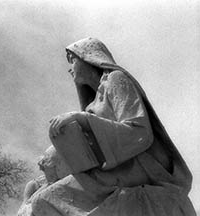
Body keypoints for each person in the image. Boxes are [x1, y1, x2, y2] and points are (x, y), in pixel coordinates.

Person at [18, 37, 196, 216]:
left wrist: (82, 119)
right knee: (40, 196)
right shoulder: (92, 104)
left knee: (46, 199)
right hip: (111, 170)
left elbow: (140, 132)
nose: (70, 68)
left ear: (87, 57)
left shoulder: (116, 79)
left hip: (141, 167)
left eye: (73, 60)